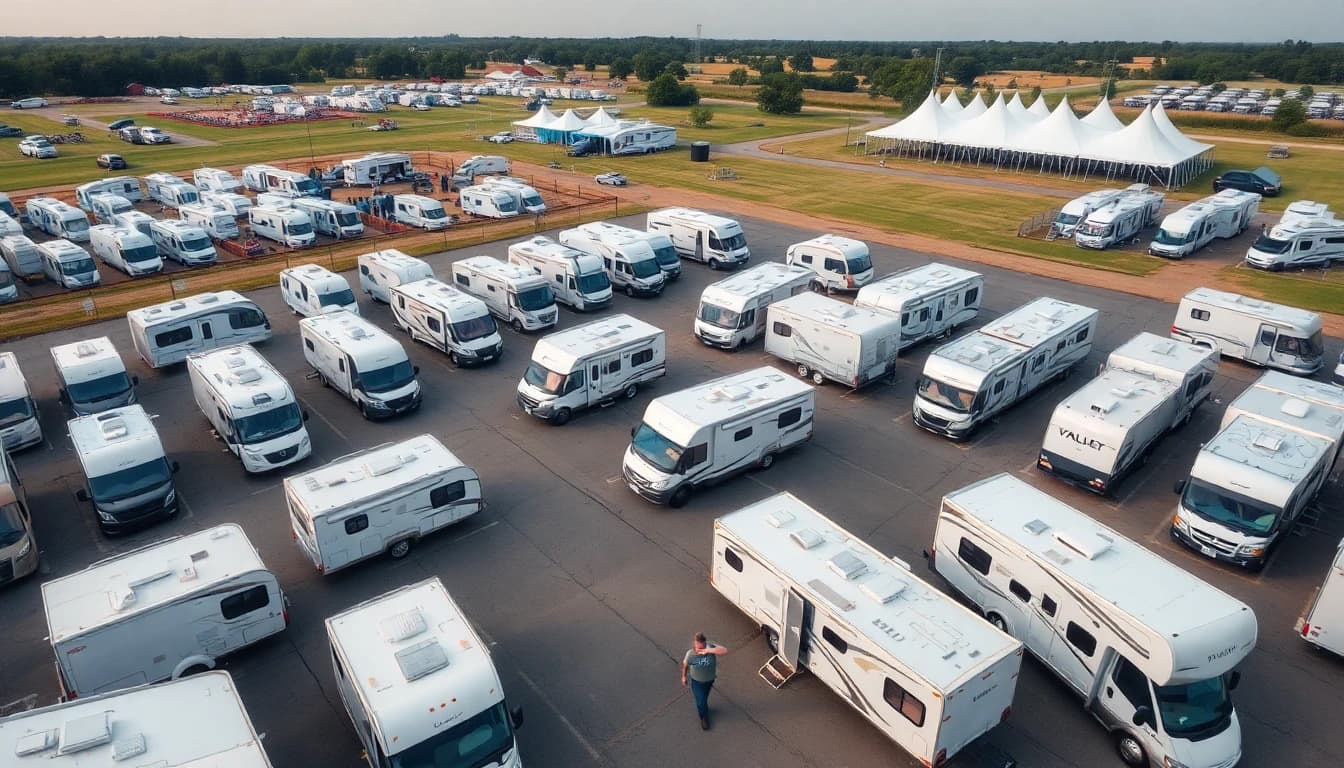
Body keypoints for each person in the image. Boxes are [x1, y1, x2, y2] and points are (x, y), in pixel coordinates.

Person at [681, 633, 727, 731]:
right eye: (698, 647)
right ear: (695, 643)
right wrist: (683, 677)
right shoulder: (691, 654)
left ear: (705, 643)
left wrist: (708, 650)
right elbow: (685, 665)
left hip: (709, 680)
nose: (700, 650)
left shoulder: (710, 647)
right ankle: (704, 718)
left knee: (704, 697)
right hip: (697, 682)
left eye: (702, 647)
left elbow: (724, 650)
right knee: (700, 703)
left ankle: (704, 708)